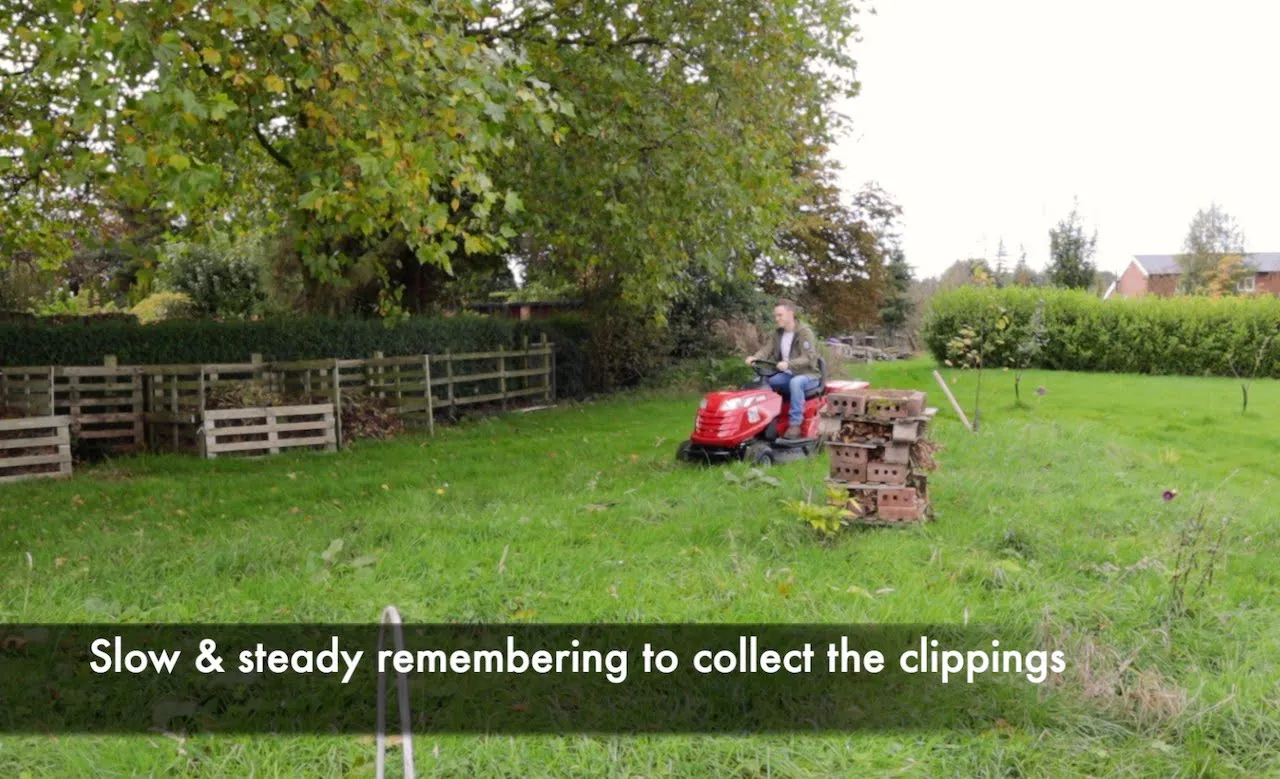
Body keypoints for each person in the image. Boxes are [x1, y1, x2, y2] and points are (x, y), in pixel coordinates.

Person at [746, 299, 820, 438]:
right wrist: (754, 357)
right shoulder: (778, 333)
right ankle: (761, 420)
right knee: (761, 382)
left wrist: (789, 364)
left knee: (796, 382)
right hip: (787, 374)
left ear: (791, 314)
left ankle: (795, 425)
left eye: (780, 315)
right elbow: (766, 349)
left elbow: (809, 357)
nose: (776, 318)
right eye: (775, 315)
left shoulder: (804, 332)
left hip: (808, 375)